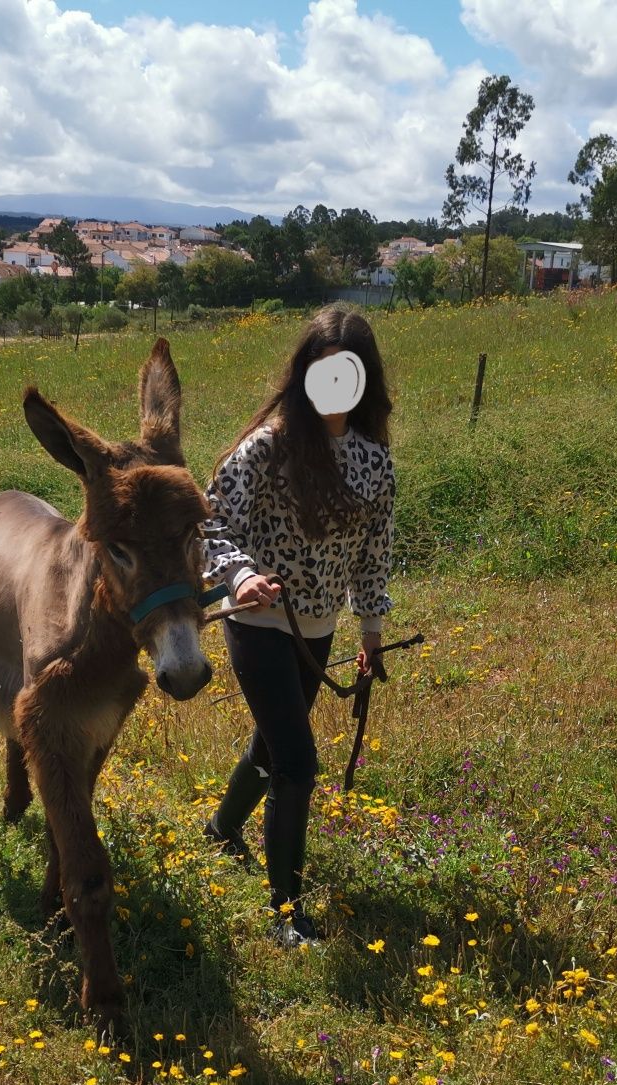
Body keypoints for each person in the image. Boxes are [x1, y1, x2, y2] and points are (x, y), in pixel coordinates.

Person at [200, 306, 395, 946]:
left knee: (274, 743)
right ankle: (287, 912)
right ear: (304, 376)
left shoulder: (373, 462)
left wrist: (371, 630)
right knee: (298, 761)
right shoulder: (268, 446)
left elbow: (374, 550)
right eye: (322, 373)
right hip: (259, 618)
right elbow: (211, 519)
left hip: (319, 626)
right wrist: (238, 577)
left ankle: (222, 830)